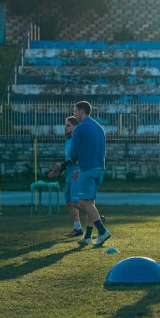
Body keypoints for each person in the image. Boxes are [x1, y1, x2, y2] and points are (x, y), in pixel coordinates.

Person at [61, 100, 110, 247]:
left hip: (87, 170)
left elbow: (74, 155)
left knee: (82, 203)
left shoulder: (79, 129)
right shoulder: (99, 127)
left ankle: (102, 231)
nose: (74, 114)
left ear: (81, 112)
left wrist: (63, 166)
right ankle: (88, 236)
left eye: (75, 111)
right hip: (99, 169)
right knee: (90, 202)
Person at [48, 116, 86, 237]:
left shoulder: (78, 140)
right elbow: (69, 160)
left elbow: (76, 159)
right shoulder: (67, 141)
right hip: (69, 175)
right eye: (65, 125)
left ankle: (97, 218)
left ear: (75, 128)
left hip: (77, 174)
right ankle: (77, 228)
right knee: (69, 202)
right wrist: (60, 170)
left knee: (75, 202)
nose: (65, 128)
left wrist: (62, 165)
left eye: (68, 125)